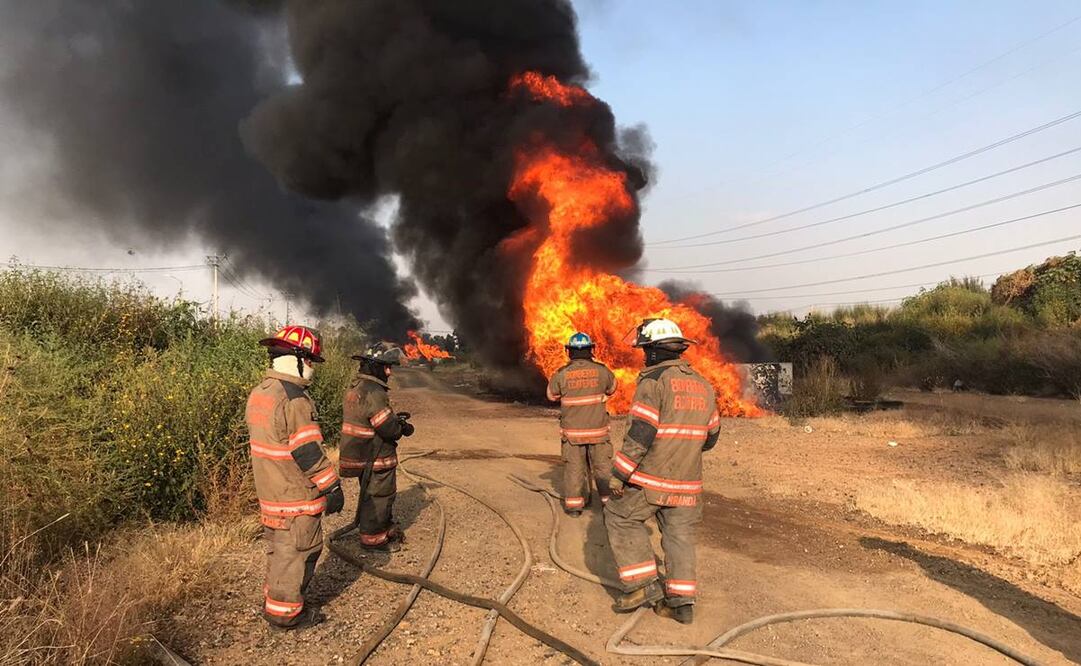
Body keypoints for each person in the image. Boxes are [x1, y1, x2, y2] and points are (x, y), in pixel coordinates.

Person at [603, 318, 721, 625]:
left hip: (651, 479)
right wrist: (684, 452)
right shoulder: (704, 385)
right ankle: (682, 604)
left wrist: (619, 474)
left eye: (646, 351)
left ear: (654, 351)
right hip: (689, 481)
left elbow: (640, 434)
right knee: (679, 535)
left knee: (619, 516)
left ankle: (642, 585)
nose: (644, 356)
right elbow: (711, 436)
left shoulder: (654, 382)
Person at [246, 325, 344, 630]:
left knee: (278, 551)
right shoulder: (295, 400)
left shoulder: (261, 393)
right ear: (297, 359)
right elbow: (308, 453)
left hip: (270, 493)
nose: (313, 367)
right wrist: (332, 487)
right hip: (295, 497)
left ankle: (273, 599)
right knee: (299, 552)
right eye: (311, 360)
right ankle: (285, 614)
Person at [338, 342, 414, 552]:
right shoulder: (374, 392)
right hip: (376, 456)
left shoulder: (356, 387)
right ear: (375, 366)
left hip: (359, 453)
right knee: (380, 495)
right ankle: (374, 539)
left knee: (369, 493)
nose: (389, 372)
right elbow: (388, 428)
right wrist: (401, 427)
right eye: (386, 367)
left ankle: (378, 526)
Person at [546, 332, 617, 515]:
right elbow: (612, 388)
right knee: (603, 469)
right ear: (590, 350)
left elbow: (551, 395)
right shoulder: (602, 371)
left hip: (573, 435)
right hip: (598, 433)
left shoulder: (562, 374)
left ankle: (574, 507)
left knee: (574, 469)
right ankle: (609, 505)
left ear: (569, 351)